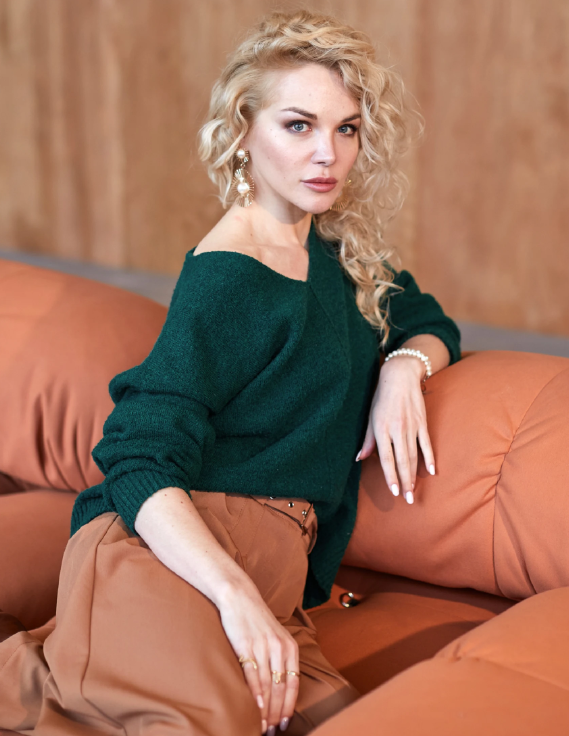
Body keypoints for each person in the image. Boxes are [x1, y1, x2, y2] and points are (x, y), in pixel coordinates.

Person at [0, 9, 460, 736]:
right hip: (177, 556)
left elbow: (427, 320)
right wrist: (236, 596)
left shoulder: (336, 251)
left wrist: (404, 366)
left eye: (346, 128)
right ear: (243, 131)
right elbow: (137, 453)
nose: (328, 154)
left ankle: (47, 669)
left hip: (277, 574)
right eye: (298, 126)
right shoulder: (227, 274)